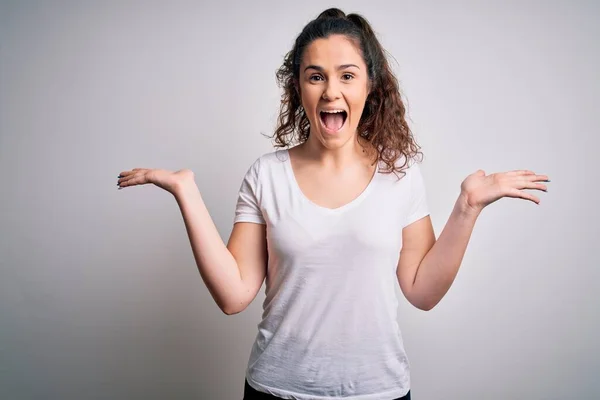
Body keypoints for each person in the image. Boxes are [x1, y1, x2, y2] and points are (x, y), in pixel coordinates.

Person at [116, 8, 550, 400]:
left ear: (369, 84)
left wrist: (467, 208)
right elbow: (233, 295)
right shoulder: (266, 175)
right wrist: (186, 193)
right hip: (275, 389)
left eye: (346, 75)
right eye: (315, 76)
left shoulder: (398, 175)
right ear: (298, 87)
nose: (330, 92)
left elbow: (422, 290)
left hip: (378, 392)